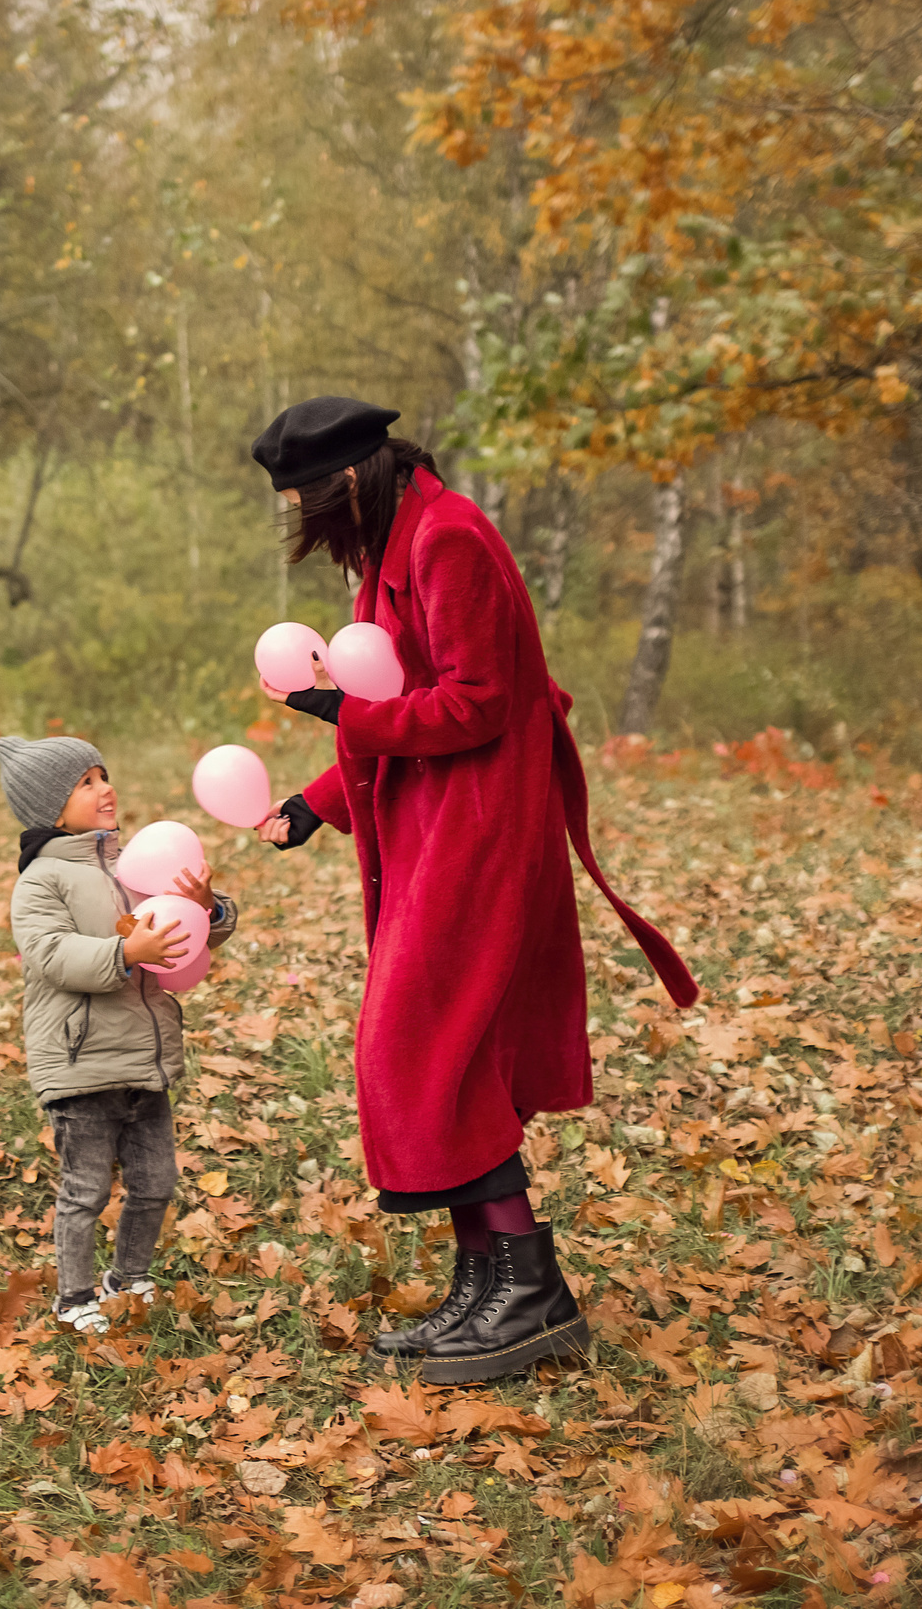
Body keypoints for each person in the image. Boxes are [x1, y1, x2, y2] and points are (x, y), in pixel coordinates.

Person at [250, 396, 697, 1384]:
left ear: (357, 478)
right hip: (430, 818)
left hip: (482, 824)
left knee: (422, 1040)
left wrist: (340, 712)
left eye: (313, 502)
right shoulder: (395, 541)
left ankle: (529, 1292)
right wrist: (321, 799)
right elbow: (401, 689)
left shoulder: (449, 540)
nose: (311, 528)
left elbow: (479, 701)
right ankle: (485, 1280)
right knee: (435, 1048)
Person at [0, 735, 235, 1332]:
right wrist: (128, 950)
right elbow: (53, 955)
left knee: (157, 1182)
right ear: (52, 808)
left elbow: (183, 934)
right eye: (87, 782)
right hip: (81, 1064)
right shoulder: (42, 880)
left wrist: (208, 910)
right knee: (85, 1192)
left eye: (105, 775)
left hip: (143, 1056)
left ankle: (129, 1277)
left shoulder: (136, 864)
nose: (106, 789)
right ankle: (74, 1297)